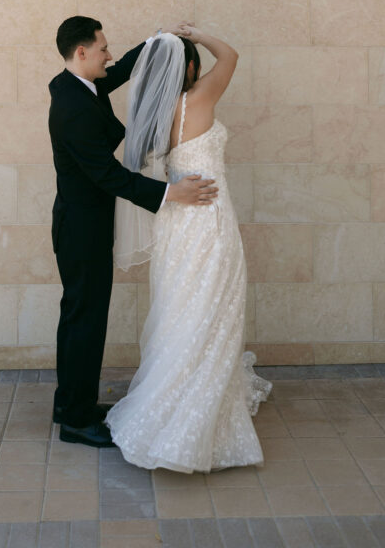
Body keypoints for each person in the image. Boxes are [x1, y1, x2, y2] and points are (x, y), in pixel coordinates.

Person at [106, 25, 272, 472]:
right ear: (191, 67)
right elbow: (232, 54)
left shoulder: (154, 113)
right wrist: (194, 31)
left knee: (181, 311)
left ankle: (176, 399)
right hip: (209, 222)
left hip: (175, 226)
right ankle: (196, 419)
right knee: (212, 311)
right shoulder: (198, 100)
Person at [48, 16, 219, 448]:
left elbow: (122, 69)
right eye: (102, 48)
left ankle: (70, 402)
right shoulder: (72, 106)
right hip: (81, 229)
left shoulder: (81, 85)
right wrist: (170, 194)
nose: (109, 54)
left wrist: (160, 40)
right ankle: (76, 420)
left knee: (78, 316)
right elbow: (108, 175)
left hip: (82, 222)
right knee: (86, 320)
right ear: (81, 52)